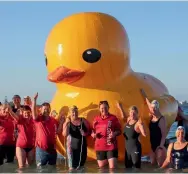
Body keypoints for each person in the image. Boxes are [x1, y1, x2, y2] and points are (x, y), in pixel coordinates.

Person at [32, 92, 64, 167]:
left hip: (52, 150)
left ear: (50, 109)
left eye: (47, 109)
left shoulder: (54, 120)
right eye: (44, 109)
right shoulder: (38, 119)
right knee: (41, 170)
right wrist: (34, 100)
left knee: (52, 169)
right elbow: (33, 113)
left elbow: (58, 132)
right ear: (41, 110)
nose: (46, 110)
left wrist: (62, 122)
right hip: (41, 150)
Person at [140, 89, 167, 167]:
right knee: (152, 164)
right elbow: (149, 104)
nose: (153, 110)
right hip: (152, 145)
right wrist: (144, 96)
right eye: (152, 109)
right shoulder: (152, 115)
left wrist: (161, 146)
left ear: (158, 108)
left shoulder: (161, 119)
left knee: (160, 165)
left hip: (159, 145)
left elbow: (164, 134)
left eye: (155, 109)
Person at [91, 101, 121, 169]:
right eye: (102, 108)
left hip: (111, 146)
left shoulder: (113, 118)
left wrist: (114, 134)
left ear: (108, 108)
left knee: (112, 169)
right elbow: (92, 130)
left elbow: (119, 131)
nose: (103, 109)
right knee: (102, 169)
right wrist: (93, 134)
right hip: (99, 146)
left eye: (105, 107)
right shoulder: (96, 119)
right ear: (99, 109)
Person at [116, 103, 146, 169]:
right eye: (131, 112)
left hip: (135, 149)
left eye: (134, 113)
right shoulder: (128, 119)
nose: (132, 114)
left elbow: (144, 134)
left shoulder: (138, 123)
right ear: (129, 112)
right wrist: (120, 108)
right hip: (127, 149)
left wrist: (142, 125)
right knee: (127, 168)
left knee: (136, 168)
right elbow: (124, 117)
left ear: (137, 113)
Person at [63, 105, 91, 171]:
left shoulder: (83, 120)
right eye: (73, 112)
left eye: (76, 111)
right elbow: (64, 134)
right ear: (70, 113)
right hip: (71, 149)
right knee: (72, 169)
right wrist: (66, 123)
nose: (74, 113)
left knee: (81, 167)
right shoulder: (67, 122)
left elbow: (89, 131)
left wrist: (85, 133)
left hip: (82, 149)